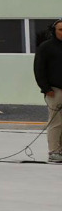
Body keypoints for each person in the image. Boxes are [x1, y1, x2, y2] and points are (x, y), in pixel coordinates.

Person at [38, 21, 62, 164]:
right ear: (54, 31)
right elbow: (39, 69)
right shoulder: (46, 47)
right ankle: (54, 151)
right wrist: (46, 88)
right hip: (54, 91)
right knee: (56, 122)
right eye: (60, 29)